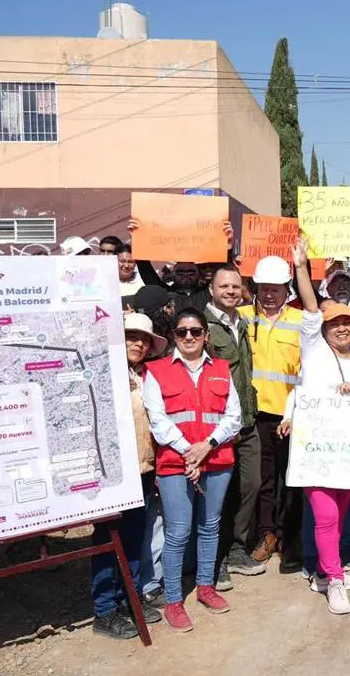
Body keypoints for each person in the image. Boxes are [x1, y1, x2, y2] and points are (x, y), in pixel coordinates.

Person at [282, 238, 350, 615]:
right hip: (315, 451)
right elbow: (310, 305)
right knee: (324, 515)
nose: (342, 329)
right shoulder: (314, 347)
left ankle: (326, 570)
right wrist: (302, 267)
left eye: (348, 325)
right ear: (322, 330)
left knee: (339, 514)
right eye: (334, 324)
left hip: (348, 454)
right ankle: (335, 582)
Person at [142, 308, 242, 632]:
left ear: (205, 335)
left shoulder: (222, 370)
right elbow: (158, 421)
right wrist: (190, 452)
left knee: (210, 526)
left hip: (216, 460)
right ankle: (173, 600)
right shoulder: (156, 372)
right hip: (176, 463)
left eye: (195, 331)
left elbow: (233, 417)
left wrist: (206, 446)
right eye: (182, 331)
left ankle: (205, 587)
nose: (189, 337)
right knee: (178, 532)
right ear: (174, 336)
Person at [91, 314, 167, 638]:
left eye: (143, 339)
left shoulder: (143, 376)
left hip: (144, 469)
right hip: (114, 473)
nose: (138, 343)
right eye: (131, 337)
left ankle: (130, 597)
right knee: (108, 540)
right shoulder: (101, 375)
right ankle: (104, 609)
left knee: (135, 539)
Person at [236, 256, 303, 570]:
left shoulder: (300, 321)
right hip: (255, 415)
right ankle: (267, 534)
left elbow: (304, 372)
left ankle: (290, 538)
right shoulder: (241, 317)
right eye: (264, 288)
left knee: (291, 479)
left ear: (287, 289)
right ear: (255, 288)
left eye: (276, 289)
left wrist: (293, 412)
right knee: (262, 480)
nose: (269, 294)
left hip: (290, 414)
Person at [204, 268, 265, 589]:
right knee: (219, 495)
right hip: (217, 427)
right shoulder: (201, 326)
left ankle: (238, 548)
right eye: (223, 285)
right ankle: (216, 559)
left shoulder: (240, 322)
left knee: (250, 484)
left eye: (235, 286)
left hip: (247, 421)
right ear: (211, 288)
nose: (230, 290)